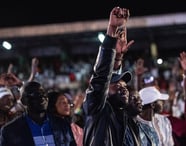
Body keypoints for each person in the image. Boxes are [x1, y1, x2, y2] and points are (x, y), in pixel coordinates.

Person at [82, 6, 138, 146]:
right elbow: (101, 77)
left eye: (124, 85)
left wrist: (118, 58)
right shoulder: (96, 109)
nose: (123, 87)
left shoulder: (127, 118)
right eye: (117, 85)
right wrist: (111, 31)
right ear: (105, 91)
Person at [0, 81, 76, 146]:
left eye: (43, 93)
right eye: (35, 94)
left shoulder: (63, 125)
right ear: (24, 101)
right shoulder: (10, 131)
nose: (42, 97)